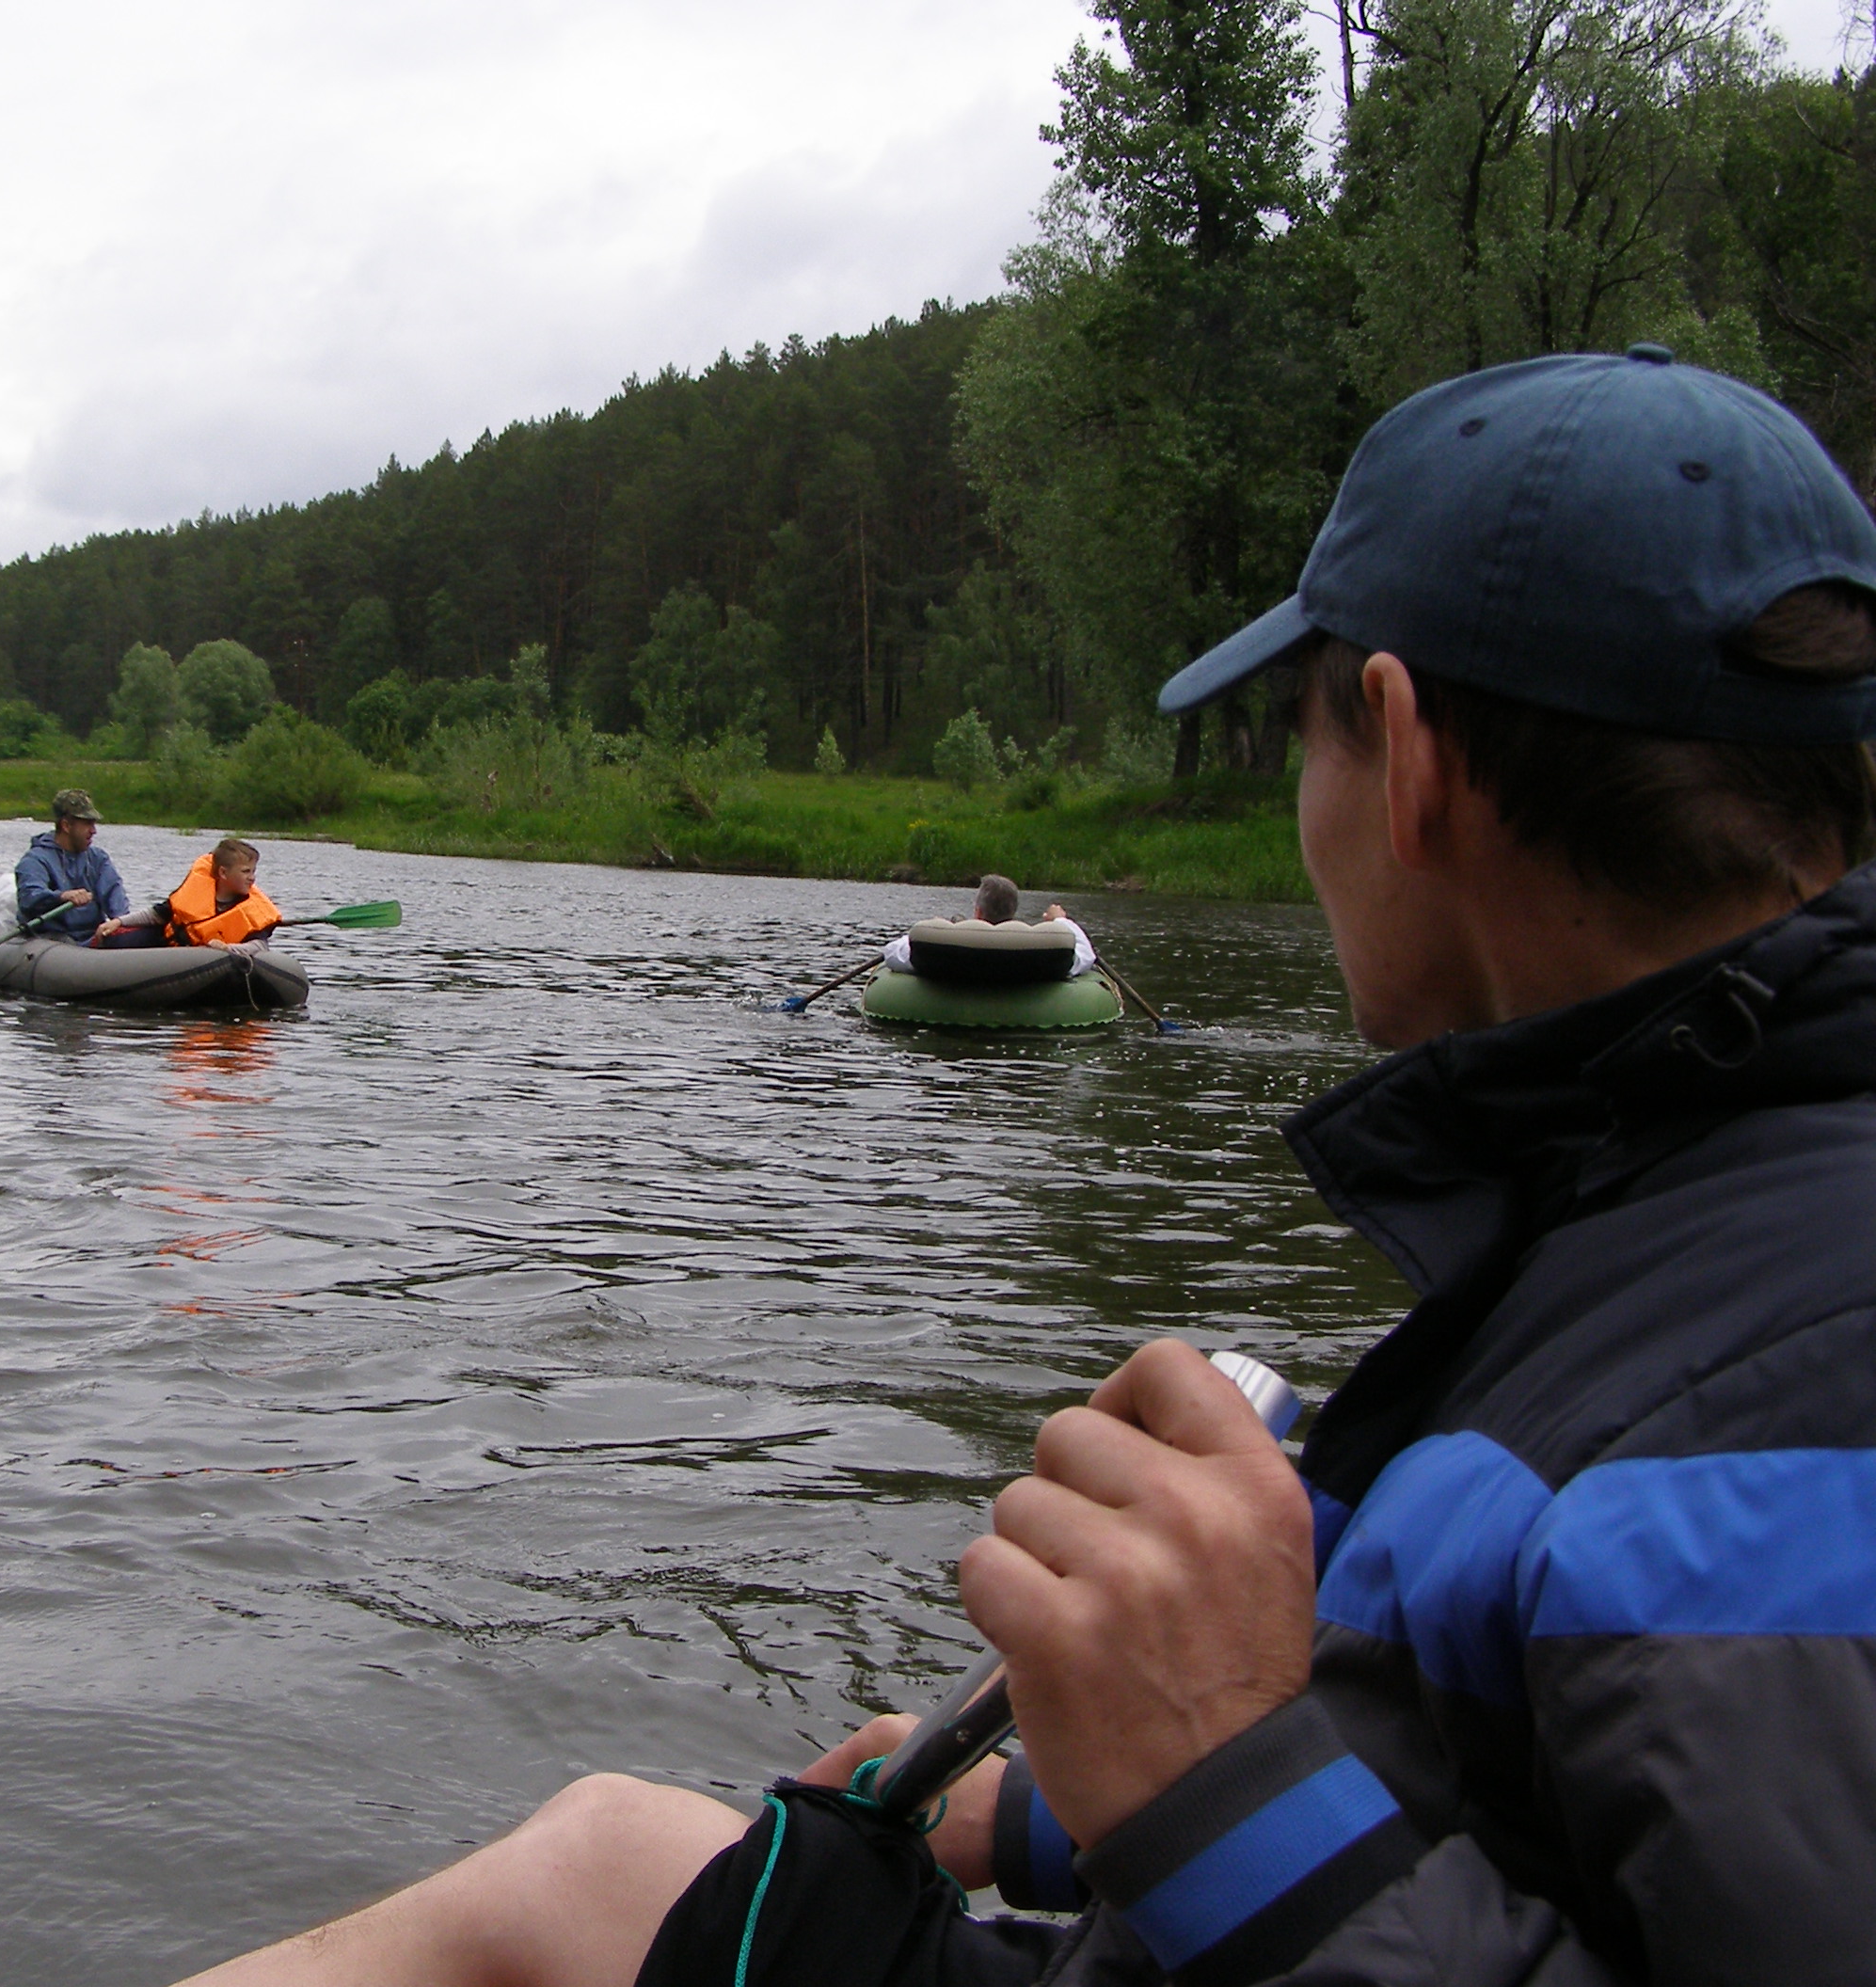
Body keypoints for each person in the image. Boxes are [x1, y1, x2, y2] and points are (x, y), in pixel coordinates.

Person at [160, 348, 1876, 1987]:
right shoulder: (1657, 1206)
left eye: (1298, 735)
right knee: (603, 1860)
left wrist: (1215, 1780)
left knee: (576, 1881)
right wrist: (1050, 1801)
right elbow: (1500, 1785)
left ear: (1403, 752)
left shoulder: (1794, 1387)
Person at [881, 873, 1096, 977]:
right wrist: (1060, 920)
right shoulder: (1034, 950)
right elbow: (1085, 956)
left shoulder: (948, 946)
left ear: (978, 911)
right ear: (1012, 913)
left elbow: (892, 953)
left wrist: (943, 928)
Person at [123, 835, 281, 952]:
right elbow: (156, 914)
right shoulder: (196, 894)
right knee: (115, 940)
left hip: (210, 962)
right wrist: (118, 922)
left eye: (253, 871)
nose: (252, 877)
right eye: (246, 871)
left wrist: (227, 948)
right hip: (168, 949)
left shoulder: (252, 910)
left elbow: (259, 945)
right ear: (223, 873)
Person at [12, 788, 128, 946]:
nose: (93, 831)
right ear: (66, 826)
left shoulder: (98, 859)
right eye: (87, 824)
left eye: (94, 824)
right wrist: (62, 897)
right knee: (65, 942)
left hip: (92, 937)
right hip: (51, 940)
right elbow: (29, 898)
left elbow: (115, 896)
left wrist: (120, 921)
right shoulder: (35, 860)